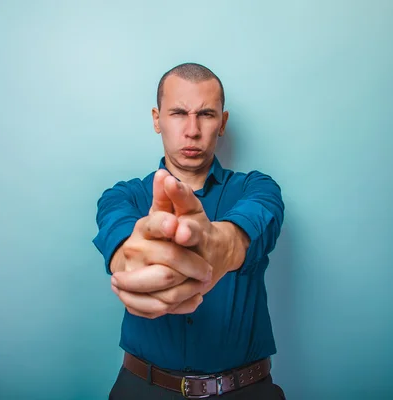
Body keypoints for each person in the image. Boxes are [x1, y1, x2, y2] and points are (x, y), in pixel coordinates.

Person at [93, 62, 286, 399]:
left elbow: (244, 234)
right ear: (157, 119)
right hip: (142, 390)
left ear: (222, 123)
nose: (192, 130)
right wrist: (133, 264)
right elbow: (123, 248)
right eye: (179, 113)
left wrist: (214, 247)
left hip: (248, 391)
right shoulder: (121, 196)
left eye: (207, 114)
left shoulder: (257, 189)